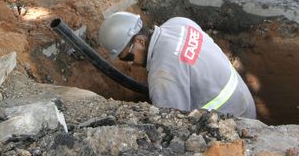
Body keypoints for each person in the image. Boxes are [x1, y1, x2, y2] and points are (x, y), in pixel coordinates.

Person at [98, 12, 257, 119]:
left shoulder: (162, 75)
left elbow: (173, 124)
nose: (130, 63)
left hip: (234, 122)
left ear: (140, 41)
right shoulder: (179, 23)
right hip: (246, 101)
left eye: (128, 56)